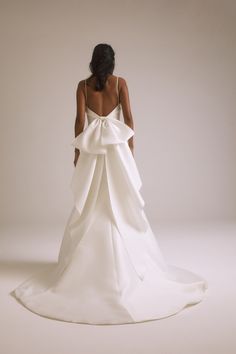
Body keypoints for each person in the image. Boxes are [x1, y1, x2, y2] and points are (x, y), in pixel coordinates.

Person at [10, 43, 208, 325]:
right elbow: (129, 118)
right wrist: (131, 147)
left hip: (92, 151)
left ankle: (85, 269)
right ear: (112, 63)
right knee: (121, 201)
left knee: (92, 201)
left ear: (92, 63)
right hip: (116, 151)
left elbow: (80, 120)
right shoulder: (120, 83)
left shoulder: (82, 85)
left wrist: (77, 150)